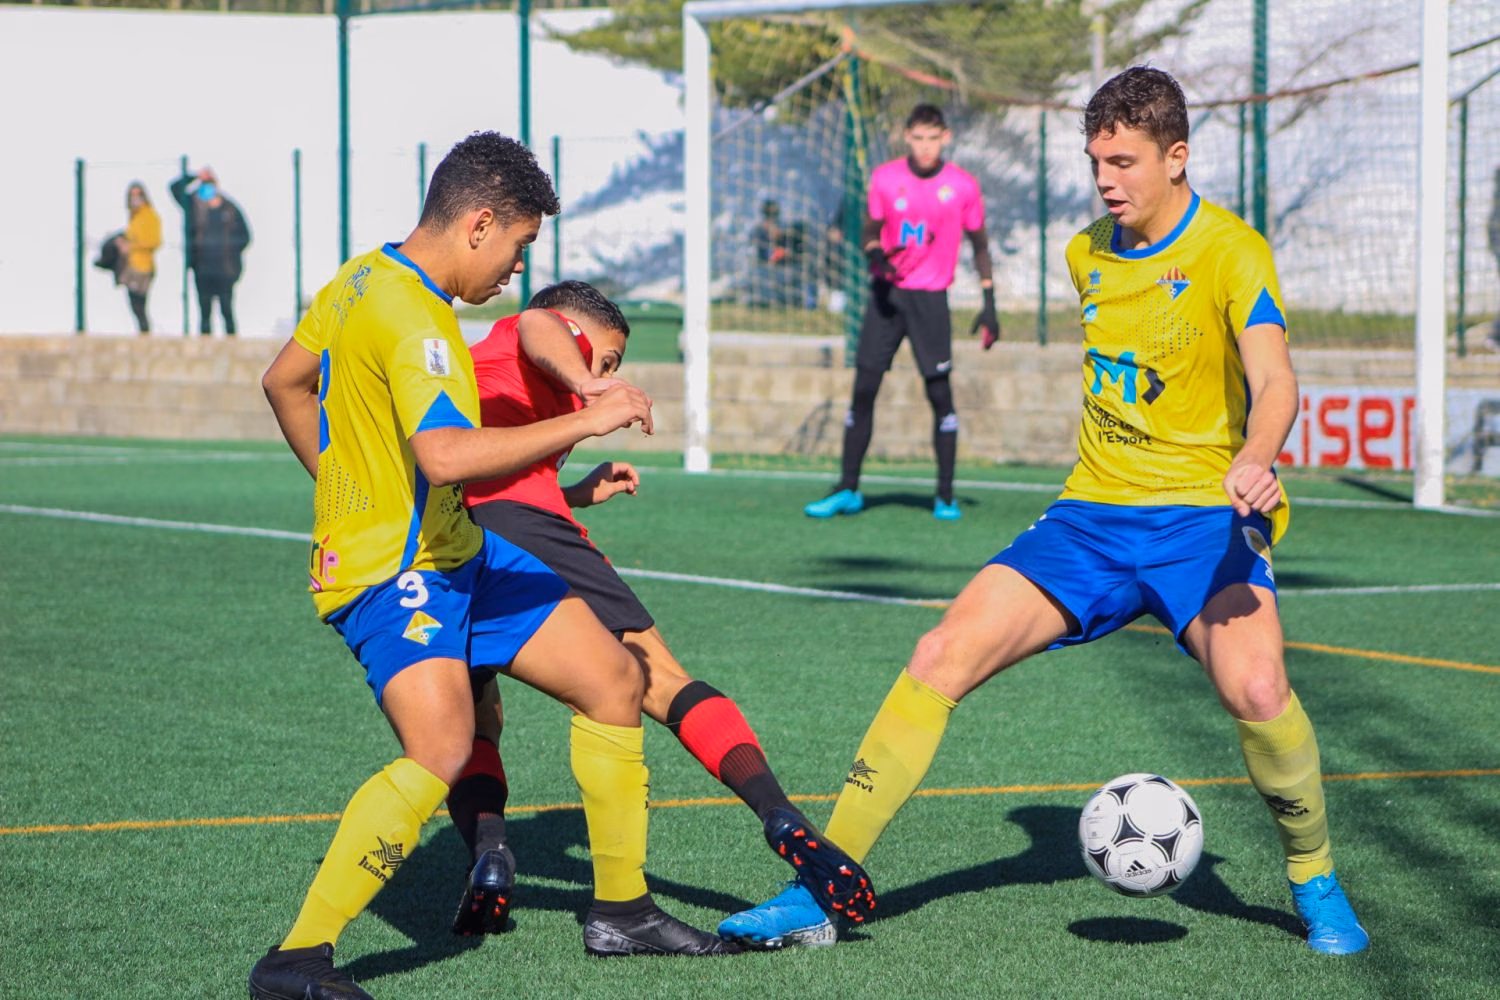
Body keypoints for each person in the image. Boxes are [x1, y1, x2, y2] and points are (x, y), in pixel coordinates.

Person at [721, 67, 1369, 957]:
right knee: (939, 654)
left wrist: (1256, 459)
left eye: (1125, 161)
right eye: (1096, 159)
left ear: (1178, 158)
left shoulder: (1232, 250)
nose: (1106, 179)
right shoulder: (1084, 253)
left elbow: (1275, 377)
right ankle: (821, 889)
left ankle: (1314, 876)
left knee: (1259, 690)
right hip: (1090, 520)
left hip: (1201, 520)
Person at [252, 132, 734, 1000]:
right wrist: (583, 420)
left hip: (460, 551)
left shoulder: (362, 275)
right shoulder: (419, 317)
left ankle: (621, 912)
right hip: (396, 572)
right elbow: (443, 456)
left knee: (614, 678)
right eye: (517, 247)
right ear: (479, 223)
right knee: (441, 748)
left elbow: (284, 381)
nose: (516, 269)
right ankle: (296, 961)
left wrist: (343, 487)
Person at [443, 279, 876, 939]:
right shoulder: (538, 336)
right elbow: (538, 325)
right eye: (609, 359)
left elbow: (499, 464)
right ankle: (781, 817)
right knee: (660, 679)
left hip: (445, 537)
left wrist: (577, 492)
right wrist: (591, 388)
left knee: (478, 714)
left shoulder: (492, 374)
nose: (607, 372)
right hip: (523, 527)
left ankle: (492, 854)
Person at [804, 103, 999, 523]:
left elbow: (980, 244)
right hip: (887, 295)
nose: (926, 146)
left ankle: (945, 495)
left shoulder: (962, 186)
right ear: (906, 137)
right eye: (918, 138)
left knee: (939, 394)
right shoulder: (885, 179)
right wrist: (877, 254)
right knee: (864, 389)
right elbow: (869, 232)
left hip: (931, 300)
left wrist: (989, 301)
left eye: (933, 138)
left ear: (945, 138)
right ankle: (847, 488)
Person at [169, 166, 250, 336]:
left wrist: (231, 253)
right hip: (202, 268)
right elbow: (174, 188)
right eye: (203, 184)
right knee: (204, 312)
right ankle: (205, 345)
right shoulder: (194, 206)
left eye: (209, 183)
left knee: (226, 309)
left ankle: (232, 342)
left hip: (225, 269)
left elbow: (245, 236)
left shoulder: (230, 208)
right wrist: (194, 177)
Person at [120, 182, 161, 334]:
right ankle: (142, 332)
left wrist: (132, 246)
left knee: (139, 303)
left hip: (144, 267)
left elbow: (154, 241)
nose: (135, 199)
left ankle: (145, 333)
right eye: (132, 196)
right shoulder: (134, 217)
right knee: (133, 302)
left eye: (138, 195)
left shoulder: (149, 215)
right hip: (132, 265)